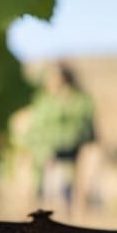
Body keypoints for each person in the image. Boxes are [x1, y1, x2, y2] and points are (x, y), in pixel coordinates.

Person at [24, 64, 96, 216]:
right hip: (45, 149)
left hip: (72, 149)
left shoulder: (79, 99)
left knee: (71, 182)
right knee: (41, 182)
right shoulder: (44, 100)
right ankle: (39, 210)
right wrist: (43, 149)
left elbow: (84, 127)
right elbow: (37, 128)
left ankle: (71, 212)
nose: (51, 82)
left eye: (55, 78)